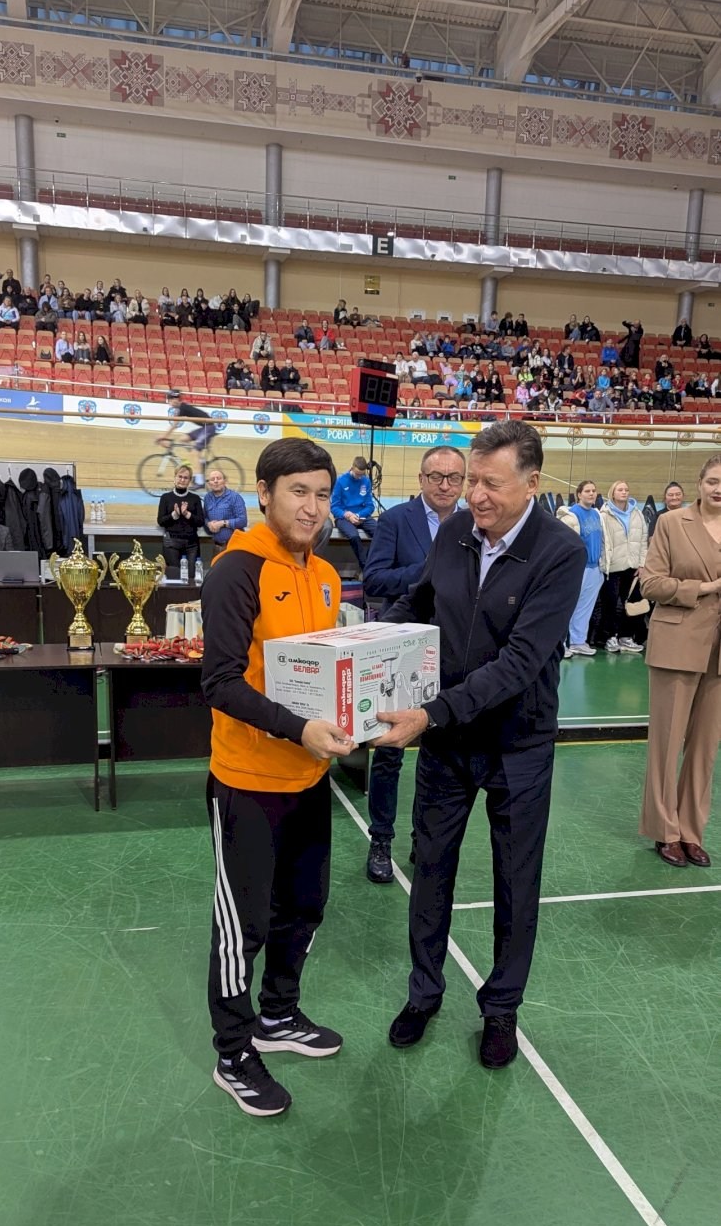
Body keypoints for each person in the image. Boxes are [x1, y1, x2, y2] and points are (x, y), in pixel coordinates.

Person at [373, 421, 585, 1069]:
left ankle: (501, 1010)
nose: (475, 495)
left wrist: (431, 713)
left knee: (515, 882)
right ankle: (423, 993)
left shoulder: (560, 552)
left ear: (531, 482)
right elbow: (418, 605)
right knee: (430, 869)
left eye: (491, 483)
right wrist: (358, 646)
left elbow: (520, 662)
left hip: (518, 746)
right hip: (448, 743)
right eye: (472, 481)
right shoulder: (456, 533)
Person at [201, 439, 353, 1117]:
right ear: (263, 494)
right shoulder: (236, 571)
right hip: (246, 781)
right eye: (298, 492)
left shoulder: (324, 574)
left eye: (321, 494)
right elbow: (220, 682)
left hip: (308, 777)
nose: (311, 507)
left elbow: (317, 676)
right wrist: (299, 729)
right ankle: (233, 1054)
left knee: (304, 907)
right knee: (244, 927)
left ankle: (278, 1014)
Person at [362, 446, 467, 883]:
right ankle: (380, 840)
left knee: (440, 754)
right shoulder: (395, 520)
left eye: (454, 478)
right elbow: (373, 579)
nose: (445, 485)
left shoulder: (473, 524)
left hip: (451, 652)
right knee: (390, 752)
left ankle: (424, 839)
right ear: (421, 479)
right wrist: (427, 570)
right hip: (401, 651)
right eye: (436, 476)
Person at [639, 455, 721, 869]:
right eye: (713, 481)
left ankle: (691, 831)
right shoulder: (672, 523)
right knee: (667, 744)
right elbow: (651, 583)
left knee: (705, 749)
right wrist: (705, 587)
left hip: (718, 653)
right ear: (700, 483)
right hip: (677, 642)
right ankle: (664, 831)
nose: (719, 489)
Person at [598, 480, 648, 653]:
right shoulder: (604, 515)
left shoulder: (637, 514)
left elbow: (643, 540)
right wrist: (605, 564)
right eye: (620, 489)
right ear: (613, 493)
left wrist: (642, 564)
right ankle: (609, 637)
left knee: (634, 603)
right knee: (610, 604)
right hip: (612, 568)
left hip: (633, 567)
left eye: (626, 489)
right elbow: (603, 542)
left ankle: (626, 637)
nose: (624, 492)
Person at [556, 481, 604, 657]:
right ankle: (560, 644)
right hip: (578, 568)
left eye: (594, 491)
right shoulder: (570, 515)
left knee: (585, 608)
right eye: (587, 491)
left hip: (595, 567)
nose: (591, 494)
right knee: (568, 606)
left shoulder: (597, 514)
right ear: (579, 494)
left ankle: (578, 642)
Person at [157, 463, 205, 580]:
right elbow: (161, 521)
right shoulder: (165, 498)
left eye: (186, 478)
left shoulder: (195, 499)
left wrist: (187, 514)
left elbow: (200, 522)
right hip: (171, 543)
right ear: (175, 478)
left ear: (189, 481)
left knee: (192, 578)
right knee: (173, 577)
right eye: (180, 476)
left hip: (192, 544)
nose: (182, 480)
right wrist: (174, 515)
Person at [164, 392, 219, 488]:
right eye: (170, 400)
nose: (170, 402)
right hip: (204, 427)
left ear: (175, 400)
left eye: (171, 400)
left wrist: (163, 436)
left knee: (195, 451)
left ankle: (200, 481)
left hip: (209, 428)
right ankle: (201, 461)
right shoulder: (180, 408)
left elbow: (174, 425)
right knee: (183, 438)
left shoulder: (182, 408)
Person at [330, 456, 377, 570]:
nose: (359, 477)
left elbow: (370, 505)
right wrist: (347, 515)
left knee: (380, 532)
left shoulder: (366, 481)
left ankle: (369, 560)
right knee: (354, 536)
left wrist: (359, 515)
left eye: (361, 474)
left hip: (361, 516)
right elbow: (334, 507)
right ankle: (365, 566)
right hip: (343, 517)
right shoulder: (340, 481)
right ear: (352, 468)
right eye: (357, 474)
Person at [203, 467, 247, 550]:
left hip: (234, 546)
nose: (215, 481)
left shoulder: (235, 497)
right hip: (216, 546)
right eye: (212, 479)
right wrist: (208, 524)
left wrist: (222, 523)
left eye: (218, 478)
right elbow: (205, 517)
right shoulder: (207, 498)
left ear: (225, 481)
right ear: (209, 484)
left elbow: (243, 521)